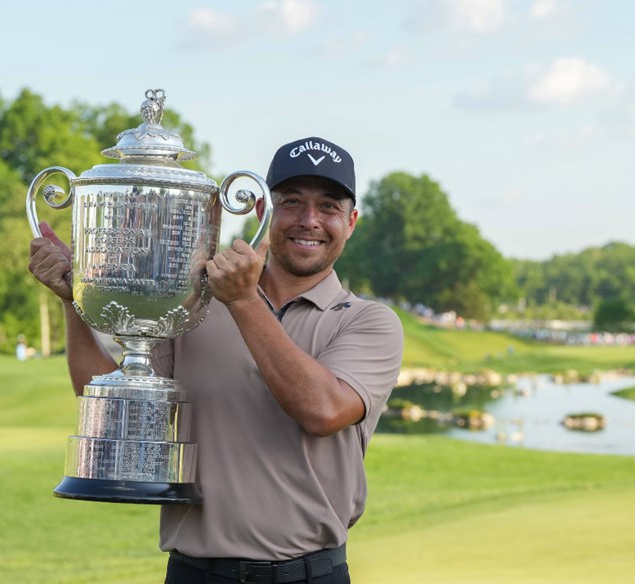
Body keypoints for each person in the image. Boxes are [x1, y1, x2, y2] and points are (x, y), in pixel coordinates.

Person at [28, 136, 403, 583]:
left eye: (329, 207)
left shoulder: (368, 322)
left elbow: (323, 410)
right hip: (195, 572)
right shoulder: (198, 305)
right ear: (263, 210)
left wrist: (243, 300)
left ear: (351, 221)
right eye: (291, 202)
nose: (309, 221)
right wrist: (74, 301)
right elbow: (113, 411)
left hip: (309, 574)